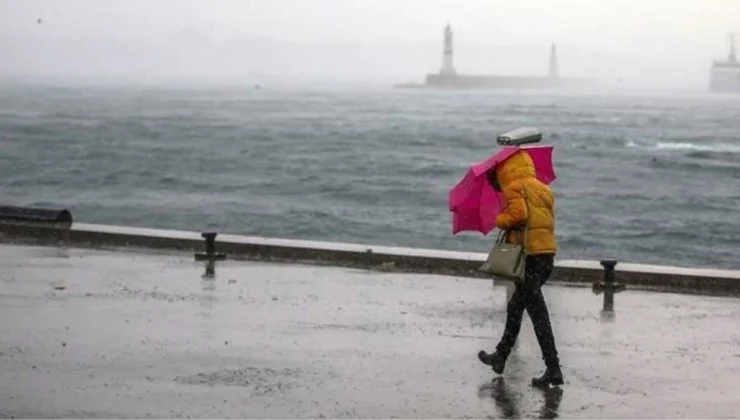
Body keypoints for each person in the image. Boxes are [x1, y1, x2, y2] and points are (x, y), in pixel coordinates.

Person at [477, 149, 563, 387]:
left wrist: (499, 219)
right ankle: (501, 356)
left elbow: (519, 215)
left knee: (537, 314)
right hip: (545, 255)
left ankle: (553, 368)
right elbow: (542, 220)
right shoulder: (543, 188)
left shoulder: (514, 188)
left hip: (529, 258)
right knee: (517, 306)